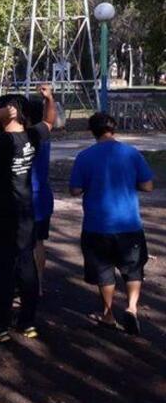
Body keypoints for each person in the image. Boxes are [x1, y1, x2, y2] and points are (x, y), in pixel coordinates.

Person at [0, 85, 55, 342]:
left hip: (2, 215)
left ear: (12, 112)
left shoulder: (3, 141)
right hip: (25, 212)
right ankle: (27, 322)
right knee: (26, 266)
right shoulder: (33, 136)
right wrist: (49, 98)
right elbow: (49, 120)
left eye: (2, 108)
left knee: (3, 272)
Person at [69, 112, 153, 334]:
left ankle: (108, 314)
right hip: (129, 223)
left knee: (104, 272)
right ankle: (132, 308)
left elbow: (75, 190)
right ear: (114, 129)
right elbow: (148, 186)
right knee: (133, 269)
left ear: (92, 131)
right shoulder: (132, 154)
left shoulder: (84, 157)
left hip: (97, 224)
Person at [28, 101, 53, 296]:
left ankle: (25, 284)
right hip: (43, 196)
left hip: (27, 197)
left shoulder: (23, 137)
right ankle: (39, 284)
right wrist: (49, 99)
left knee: (20, 244)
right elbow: (49, 120)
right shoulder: (44, 135)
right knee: (38, 243)